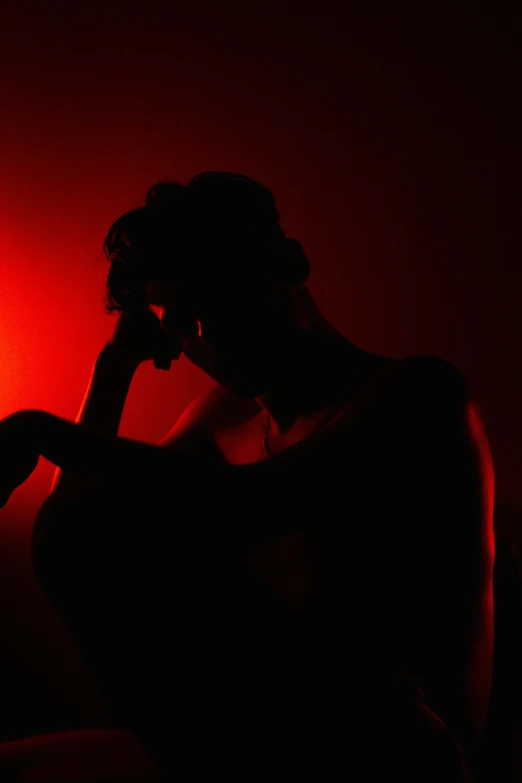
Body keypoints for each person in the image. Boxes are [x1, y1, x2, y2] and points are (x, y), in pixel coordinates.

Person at [0, 171, 493, 780]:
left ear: (289, 265)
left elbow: (248, 504)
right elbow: (73, 523)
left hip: (405, 751)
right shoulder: (223, 419)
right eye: (181, 320)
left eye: (216, 294)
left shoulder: (418, 395)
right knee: (77, 532)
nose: (203, 332)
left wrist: (35, 430)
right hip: (264, 743)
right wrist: (114, 364)